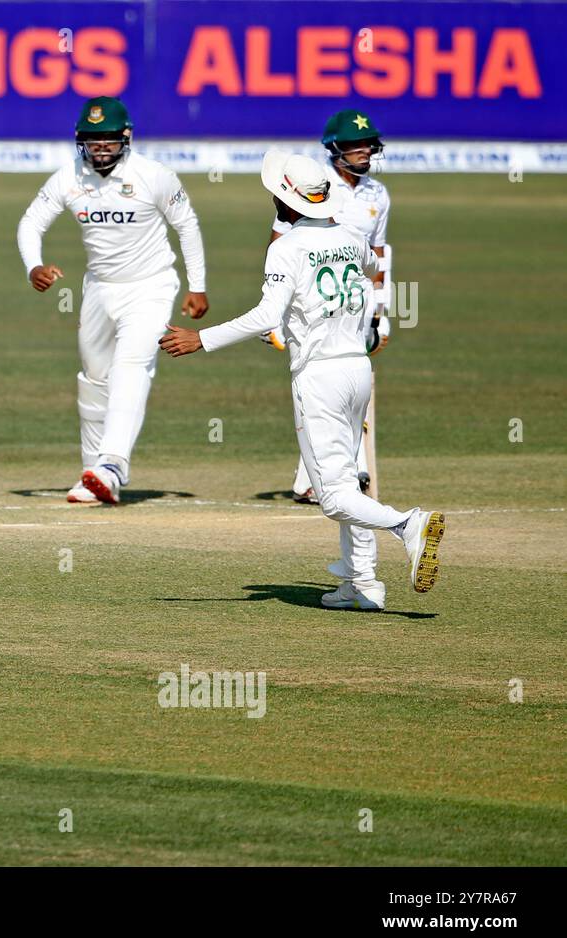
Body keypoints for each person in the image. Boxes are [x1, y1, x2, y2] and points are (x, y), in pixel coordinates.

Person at [159, 150, 442, 611]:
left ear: (287, 201)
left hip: (319, 376)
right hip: (358, 369)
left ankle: (408, 524)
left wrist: (201, 339)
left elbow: (266, 315)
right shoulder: (351, 234)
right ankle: (362, 583)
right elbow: (374, 270)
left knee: (332, 497)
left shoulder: (285, 247)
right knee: (350, 481)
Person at [17, 96, 208, 504]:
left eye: (108, 139)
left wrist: (197, 286)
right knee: (94, 380)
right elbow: (31, 222)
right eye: (92, 140)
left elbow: (186, 227)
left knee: (130, 368)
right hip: (100, 288)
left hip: (151, 285)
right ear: (79, 141)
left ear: (126, 139)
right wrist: (34, 266)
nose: (100, 147)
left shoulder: (153, 175)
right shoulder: (68, 177)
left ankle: (112, 463)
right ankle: (93, 476)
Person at [264, 109, 392, 504]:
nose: (363, 152)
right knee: (317, 384)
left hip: (353, 302)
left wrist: (382, 312)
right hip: (310, 300)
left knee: (349, 384)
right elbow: (278, 246)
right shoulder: (311, 186)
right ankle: (332, 476)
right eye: (354, 146)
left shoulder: (378, 194)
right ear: (334, 150)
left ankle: (327, 477)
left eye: (367, 144)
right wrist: (276, 314)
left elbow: (379, 255)